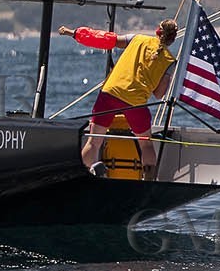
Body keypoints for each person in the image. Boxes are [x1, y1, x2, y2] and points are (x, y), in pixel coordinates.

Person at [60, 19, 180, 179]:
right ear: (173, 38)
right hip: (135, 102)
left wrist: (73, 33)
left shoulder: (136, 39)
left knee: (94, 143)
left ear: (158, 30)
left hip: (110, 93)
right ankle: (149, 181)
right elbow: (158, 94)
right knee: (146, 144)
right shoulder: (170, 62)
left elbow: (106, 39)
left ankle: (77, 177)